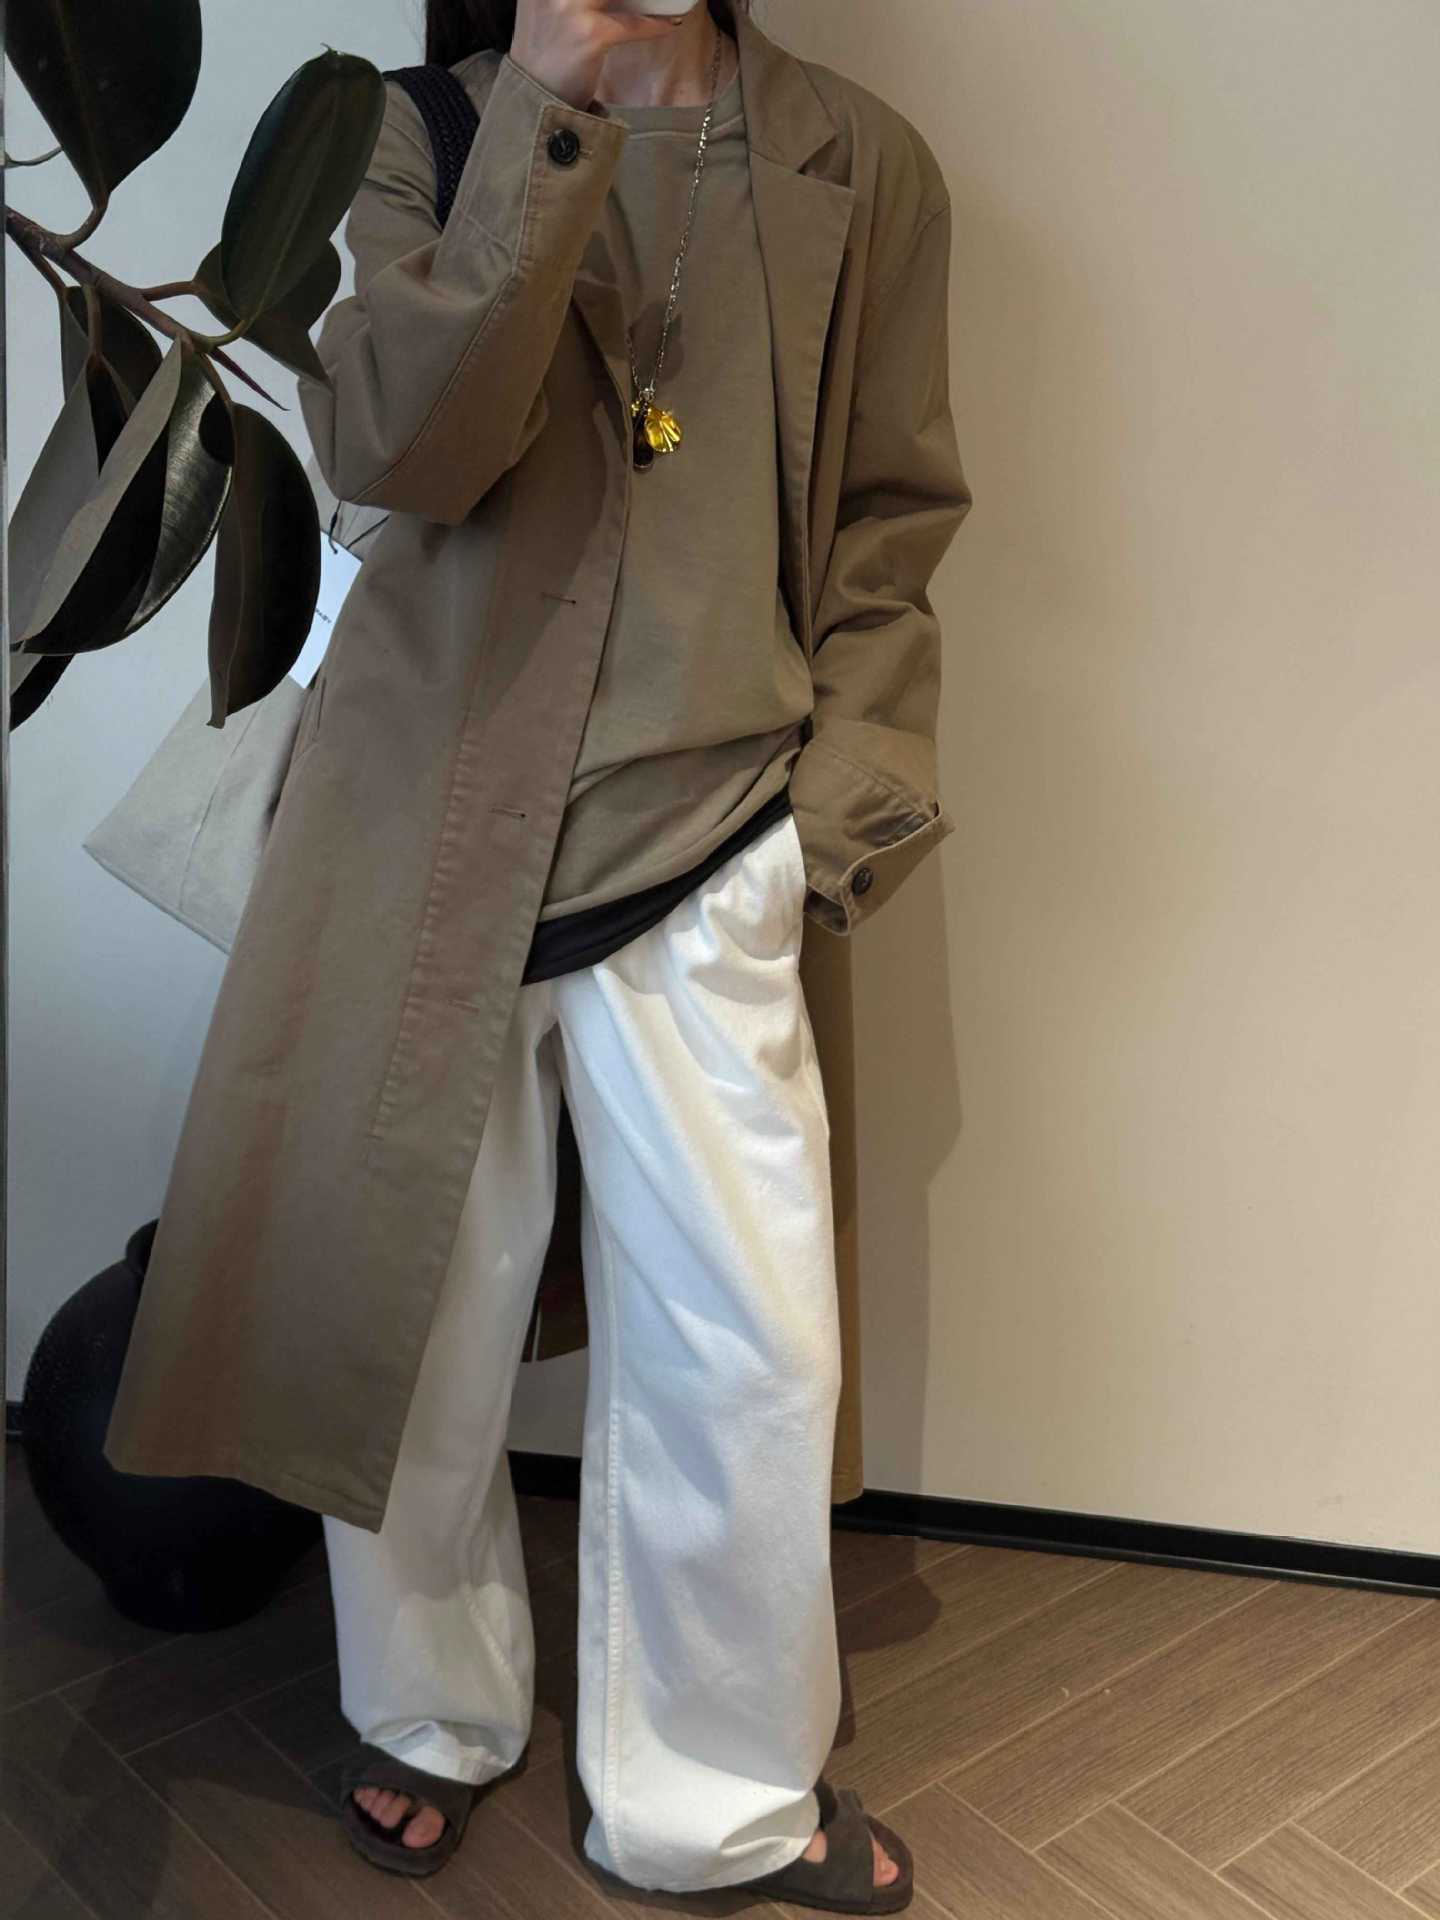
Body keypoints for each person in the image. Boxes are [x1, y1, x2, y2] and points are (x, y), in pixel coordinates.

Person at [287, 0, 969, 1906]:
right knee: (416, 1328)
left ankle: (716, 1792)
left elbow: (893, 518)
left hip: (714, 826)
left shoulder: (859, 163)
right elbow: (401, 448)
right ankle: (428, 1708)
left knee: (749, 1351)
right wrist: (546, 101)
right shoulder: (413, 131)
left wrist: (828, 819)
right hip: (430, 829)